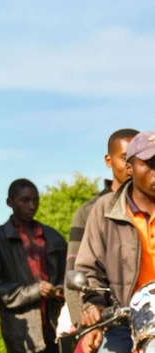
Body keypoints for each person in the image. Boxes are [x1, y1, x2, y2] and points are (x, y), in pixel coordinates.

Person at [75, 131, 155, 353]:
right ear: (129, 168)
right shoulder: (104, 210)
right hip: (123, 322)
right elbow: (88, 268)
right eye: (150, 164)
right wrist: (94, 304)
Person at [0, 179, 67, 353]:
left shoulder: (53, 237)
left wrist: (59, 291)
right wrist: (35, 291)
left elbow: (68, 274)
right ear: (10, 202)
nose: (32, 205)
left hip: (56, 327)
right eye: (25, 200)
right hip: (22, 333)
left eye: (35, 200)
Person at [62, 129, 138, 326]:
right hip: (110, 322)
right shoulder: (90, 211)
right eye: (125, 158)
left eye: (138, 159)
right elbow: (78, 272)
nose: (131, 166)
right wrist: (86, 323)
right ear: (108, 160)